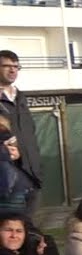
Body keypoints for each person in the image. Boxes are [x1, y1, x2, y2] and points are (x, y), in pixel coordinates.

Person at [0, 50, 43, 219]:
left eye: (16, 67)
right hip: (7, 178)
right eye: (7, 66)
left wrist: (36, 169)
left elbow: (30, 136)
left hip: (32, 175)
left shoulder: (20, 97)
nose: (12, 70)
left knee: (29, 230)